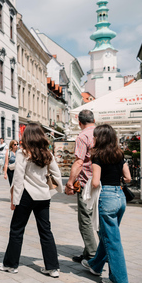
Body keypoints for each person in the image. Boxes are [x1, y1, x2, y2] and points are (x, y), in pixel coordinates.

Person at [0, 123, 63, 277]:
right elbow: (56, 174)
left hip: (26, 194)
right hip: (43, 195)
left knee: (17, 229)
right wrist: (52, 191)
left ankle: (11, 264)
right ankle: (52, 267)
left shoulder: (23, 153)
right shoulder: (47, 154)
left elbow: (19, 178)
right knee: (45, 230)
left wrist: (15, 200)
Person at [81, 124, 131, 283]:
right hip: (120, 197)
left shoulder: (98, 156)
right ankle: (95, 265)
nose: (92, 138)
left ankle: (119, 279)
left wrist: (90, 187)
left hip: (107, 198)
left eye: (94, 136)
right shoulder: (120, 154)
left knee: (112, 239)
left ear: (99, 138)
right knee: (108, 235)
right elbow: (128, 177)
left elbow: (96, 182)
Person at [65, 109, 97, 263]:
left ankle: (92, 255)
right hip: (102, 181)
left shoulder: (83, 136)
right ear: (93, 119)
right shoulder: (103, 133)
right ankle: (87, 252)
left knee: (85, 219)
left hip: (87, 183)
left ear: (80, 122)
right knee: (95, 218)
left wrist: (70, 182)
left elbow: (79, 162)